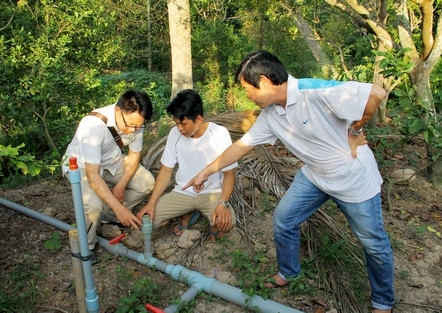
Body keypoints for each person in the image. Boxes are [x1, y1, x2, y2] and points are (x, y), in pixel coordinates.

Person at [183, 51, 395, 313]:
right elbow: (241, 147)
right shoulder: (271, 115)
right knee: (284, 219)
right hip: (315, 175)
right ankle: (289, 272)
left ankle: (383, 302)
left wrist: (355, 131)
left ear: (264, 81)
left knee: (373, 243)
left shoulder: (311, 91)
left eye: (248, 89)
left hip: (353, 179)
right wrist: (205, 172)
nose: (246, 96)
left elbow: (375, 93)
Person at [62, 89, 156, 262]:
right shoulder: (92, 126)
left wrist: (120, 185)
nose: (132, 131)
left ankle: (108, 218)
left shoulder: (136, 122)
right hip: (82, 164)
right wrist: (120, 208)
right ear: (119, 110)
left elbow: (134, 155)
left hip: (112, 161)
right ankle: (87, 246)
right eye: (129, 125)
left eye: (137, 127)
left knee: (147, 183)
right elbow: (92, 175)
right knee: (93, 204)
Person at [137, 89, 237, 242]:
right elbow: (165, 172)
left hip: (212, 194)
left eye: (183, 124)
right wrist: (151, 203)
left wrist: (223, 203)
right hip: (182, 193)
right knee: (149, 221)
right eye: (176, 123)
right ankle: (187, 212)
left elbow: (229, 174)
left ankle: (196, 214)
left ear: (198, 119)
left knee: (225, 224)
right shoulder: (174, 134)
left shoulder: (218, 133)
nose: (179, 129)